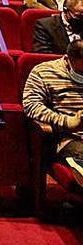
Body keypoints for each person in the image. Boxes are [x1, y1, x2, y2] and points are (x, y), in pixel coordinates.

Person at [25, 39, 83, 187]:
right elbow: (31, 106)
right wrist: (67, 121)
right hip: (69, 138)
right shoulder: (43, 72)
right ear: (69, 59)